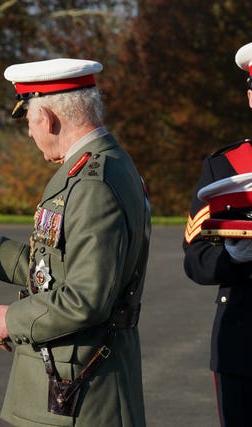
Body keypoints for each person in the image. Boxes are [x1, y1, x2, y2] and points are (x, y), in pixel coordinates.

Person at [0, 58, 150, 426]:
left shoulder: (92, 183)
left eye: (29, 122)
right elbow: (59, 267)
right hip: (78, 383)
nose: (30, 133)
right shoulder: (104, 164)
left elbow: (85, 299)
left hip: (81, 390)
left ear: (47, 118)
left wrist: (9, 320)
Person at [182, 41, 252, 426]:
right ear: (250, 97)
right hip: (244, 344)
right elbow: (195, 259)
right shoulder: (226, 167)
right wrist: (234, 257)